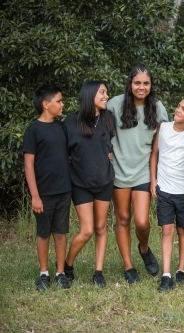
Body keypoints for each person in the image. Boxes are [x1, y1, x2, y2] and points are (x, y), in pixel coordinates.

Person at [107, 65, 169, 284]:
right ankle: (128, 266)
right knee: (123, 218)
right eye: (137, 83)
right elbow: (97, 130)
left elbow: (163, 144)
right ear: (130, 84)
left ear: (151, 86)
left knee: (142, 222)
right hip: (118, 171)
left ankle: (143, 248)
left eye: (146, 83)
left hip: (144, 170)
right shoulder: (114, 105)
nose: (141, 87)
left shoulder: (158, 107)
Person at [63, 81, 115, 287]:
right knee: (87, 230)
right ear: (89, 94)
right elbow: (64, 152)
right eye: (102, 92)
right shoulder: (70, 122)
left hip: (104, 180)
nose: (106, 96)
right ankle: (68, 264)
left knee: (101, 227)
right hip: (80, 182)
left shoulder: (108, 119)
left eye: (107, 93)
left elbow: (108, 146)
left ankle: (98, 273)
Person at [23, 85, 72, 291]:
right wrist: (35, 196)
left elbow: (70, 155)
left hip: (64, 190)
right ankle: (44, 273)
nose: (62, 104)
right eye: (59, 101)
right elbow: (28, 165)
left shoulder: (62, 127)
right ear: (46, 104)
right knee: (44, 233)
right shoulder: (33, 131)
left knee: (60, 232)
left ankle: (60, 272)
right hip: (43, 193)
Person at [150, 97, 184, 292]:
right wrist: (153, 180)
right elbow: (154, 154)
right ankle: (167, 274)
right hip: (165, 189)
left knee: (182, 230)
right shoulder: (163, 128)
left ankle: (181, 270)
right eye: (178, 106)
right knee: (167, 230)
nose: (178, 110)